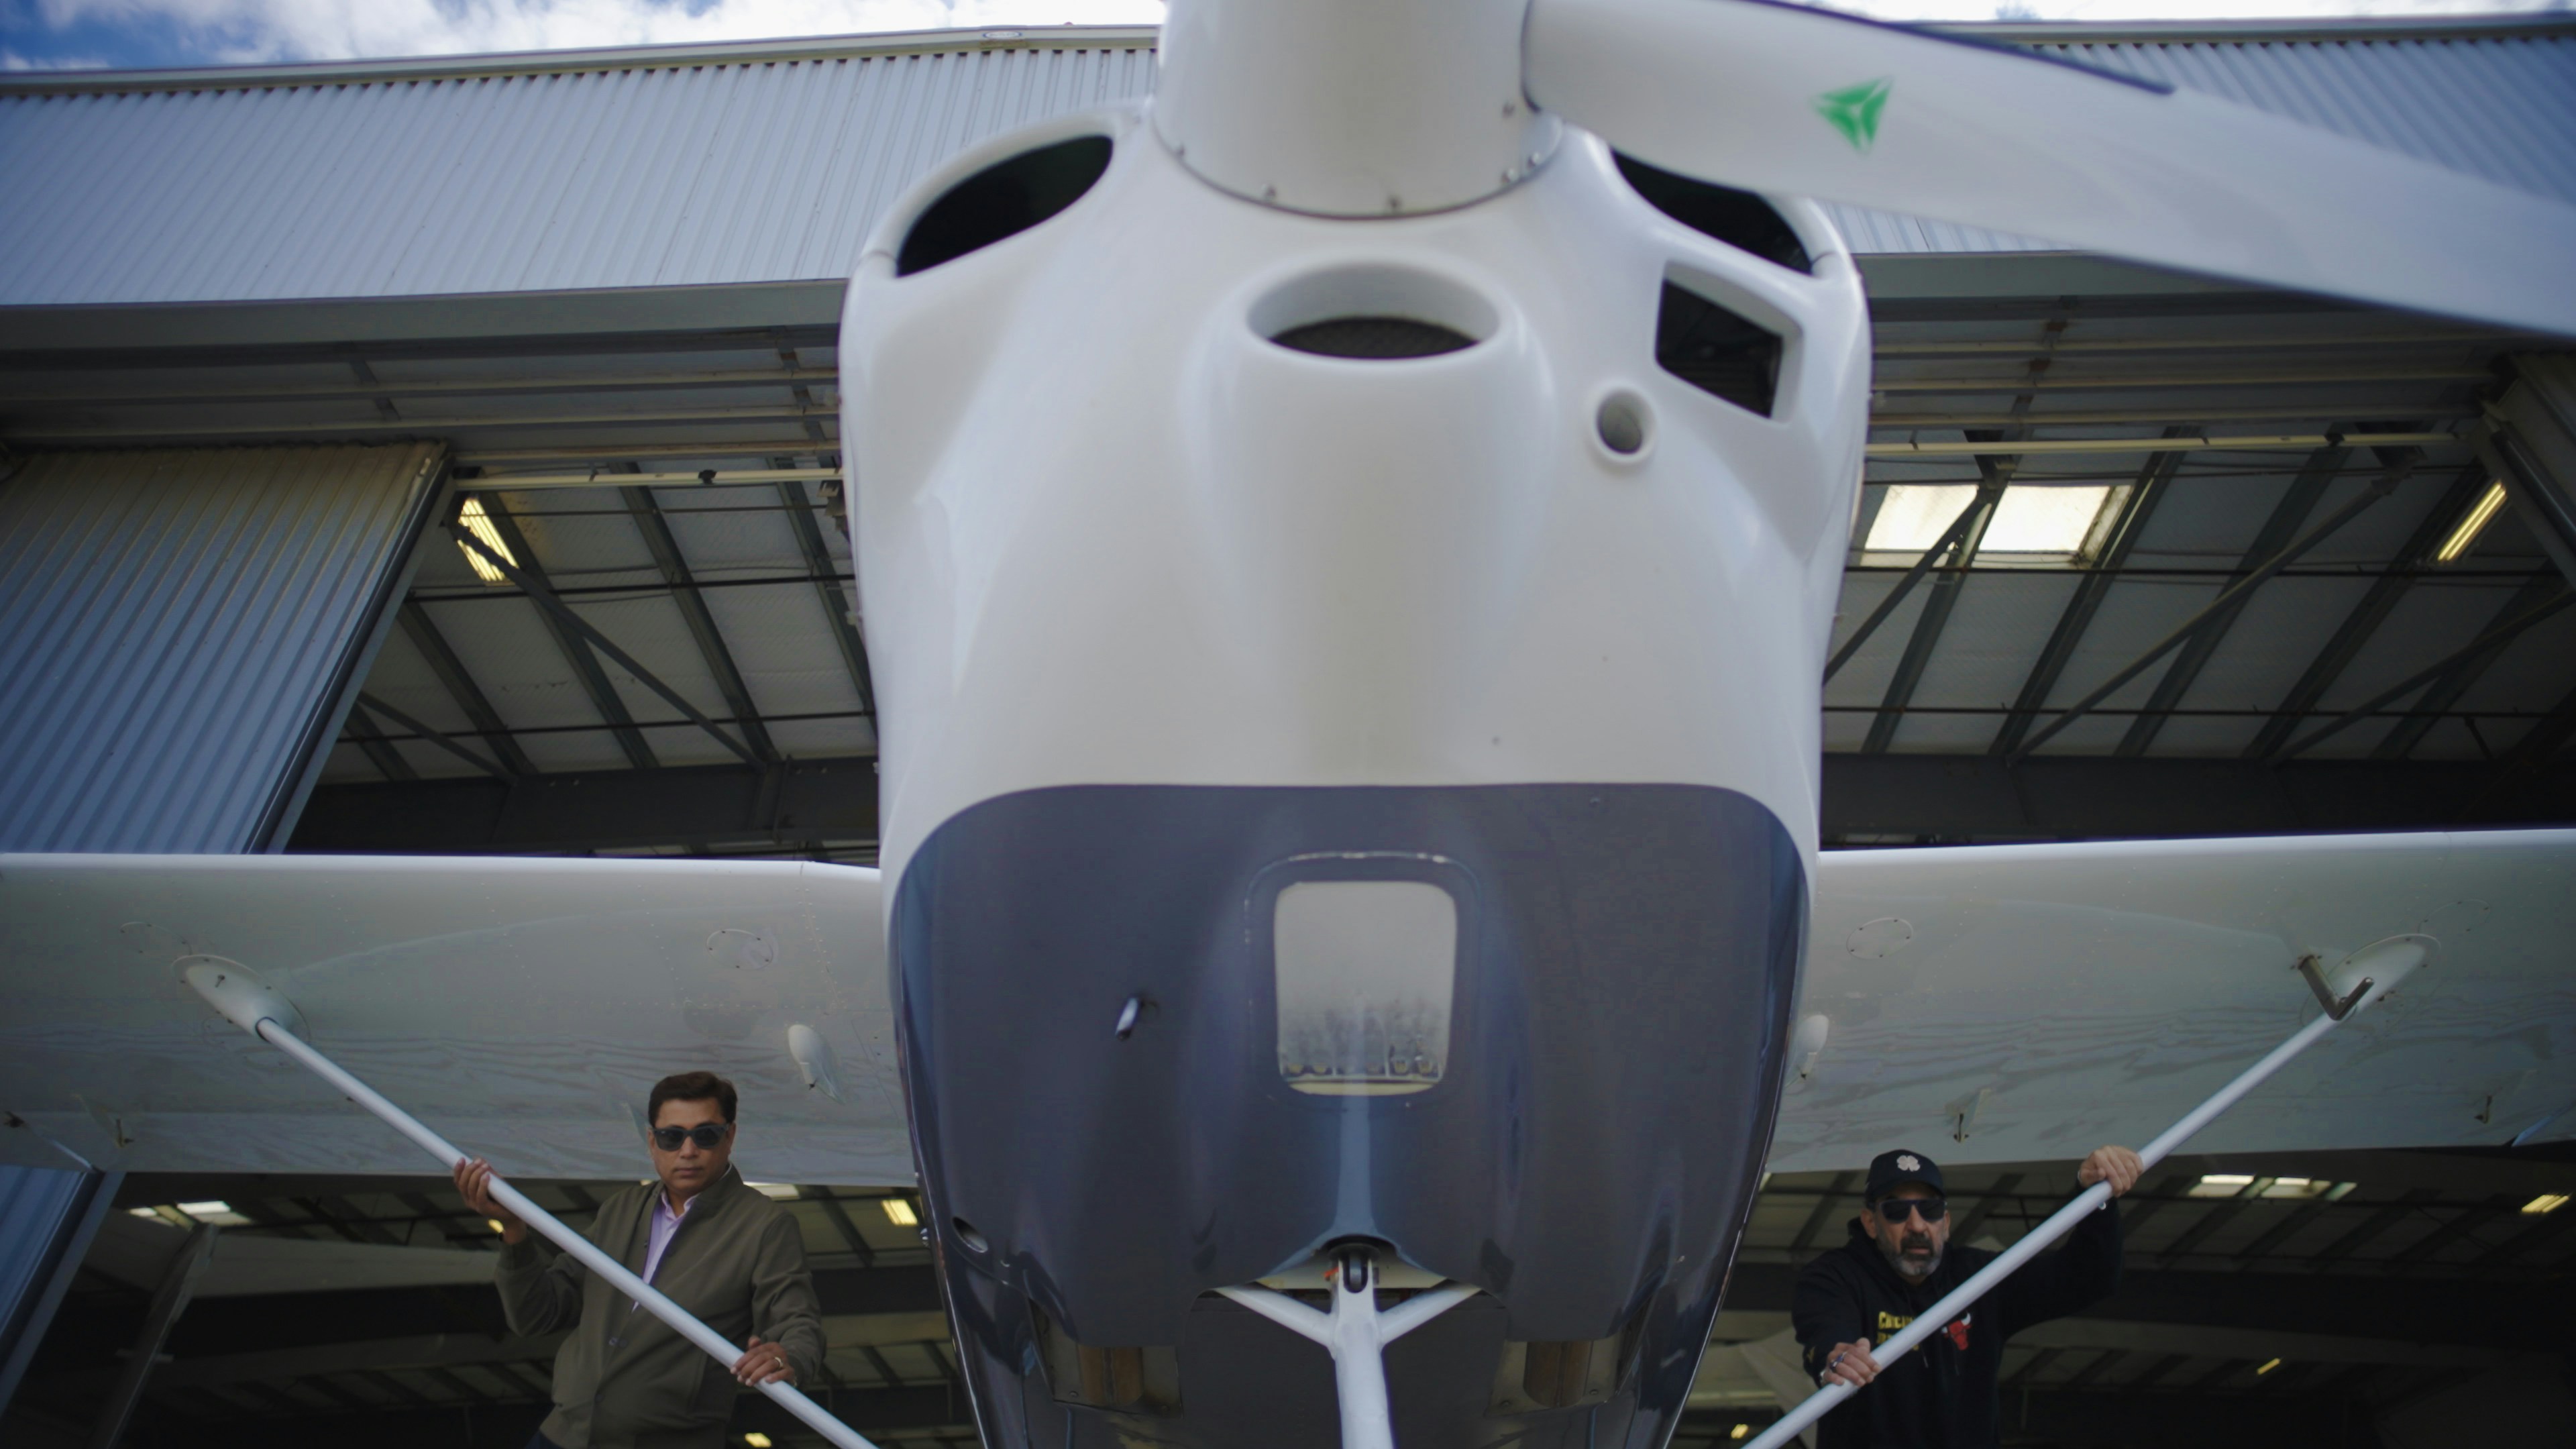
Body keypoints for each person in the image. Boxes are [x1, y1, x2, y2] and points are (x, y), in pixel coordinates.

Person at [454, 1071, 824, 1449]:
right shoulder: (621, 1210)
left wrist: (789, 1357)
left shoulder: (764, 1225)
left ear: (730, 1137)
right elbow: (536, 1315)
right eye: (671, 1136)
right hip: (564, 1437)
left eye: (706, 1135)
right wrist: (513, 1229)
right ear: (652, 1141)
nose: (687, 1150)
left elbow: (796, 1318)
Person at [1791, 1144, 2141, 1448]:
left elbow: (2087, 1279)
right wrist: (1836, 1357)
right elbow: (1827, 1330)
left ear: (1945, 1222)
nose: (1916, 1225)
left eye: (1929, 1210)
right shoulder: (1835, 1276)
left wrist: (2096, 1199)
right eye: (1897, 1212)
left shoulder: (1980, 1279)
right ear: (1870, 1223)